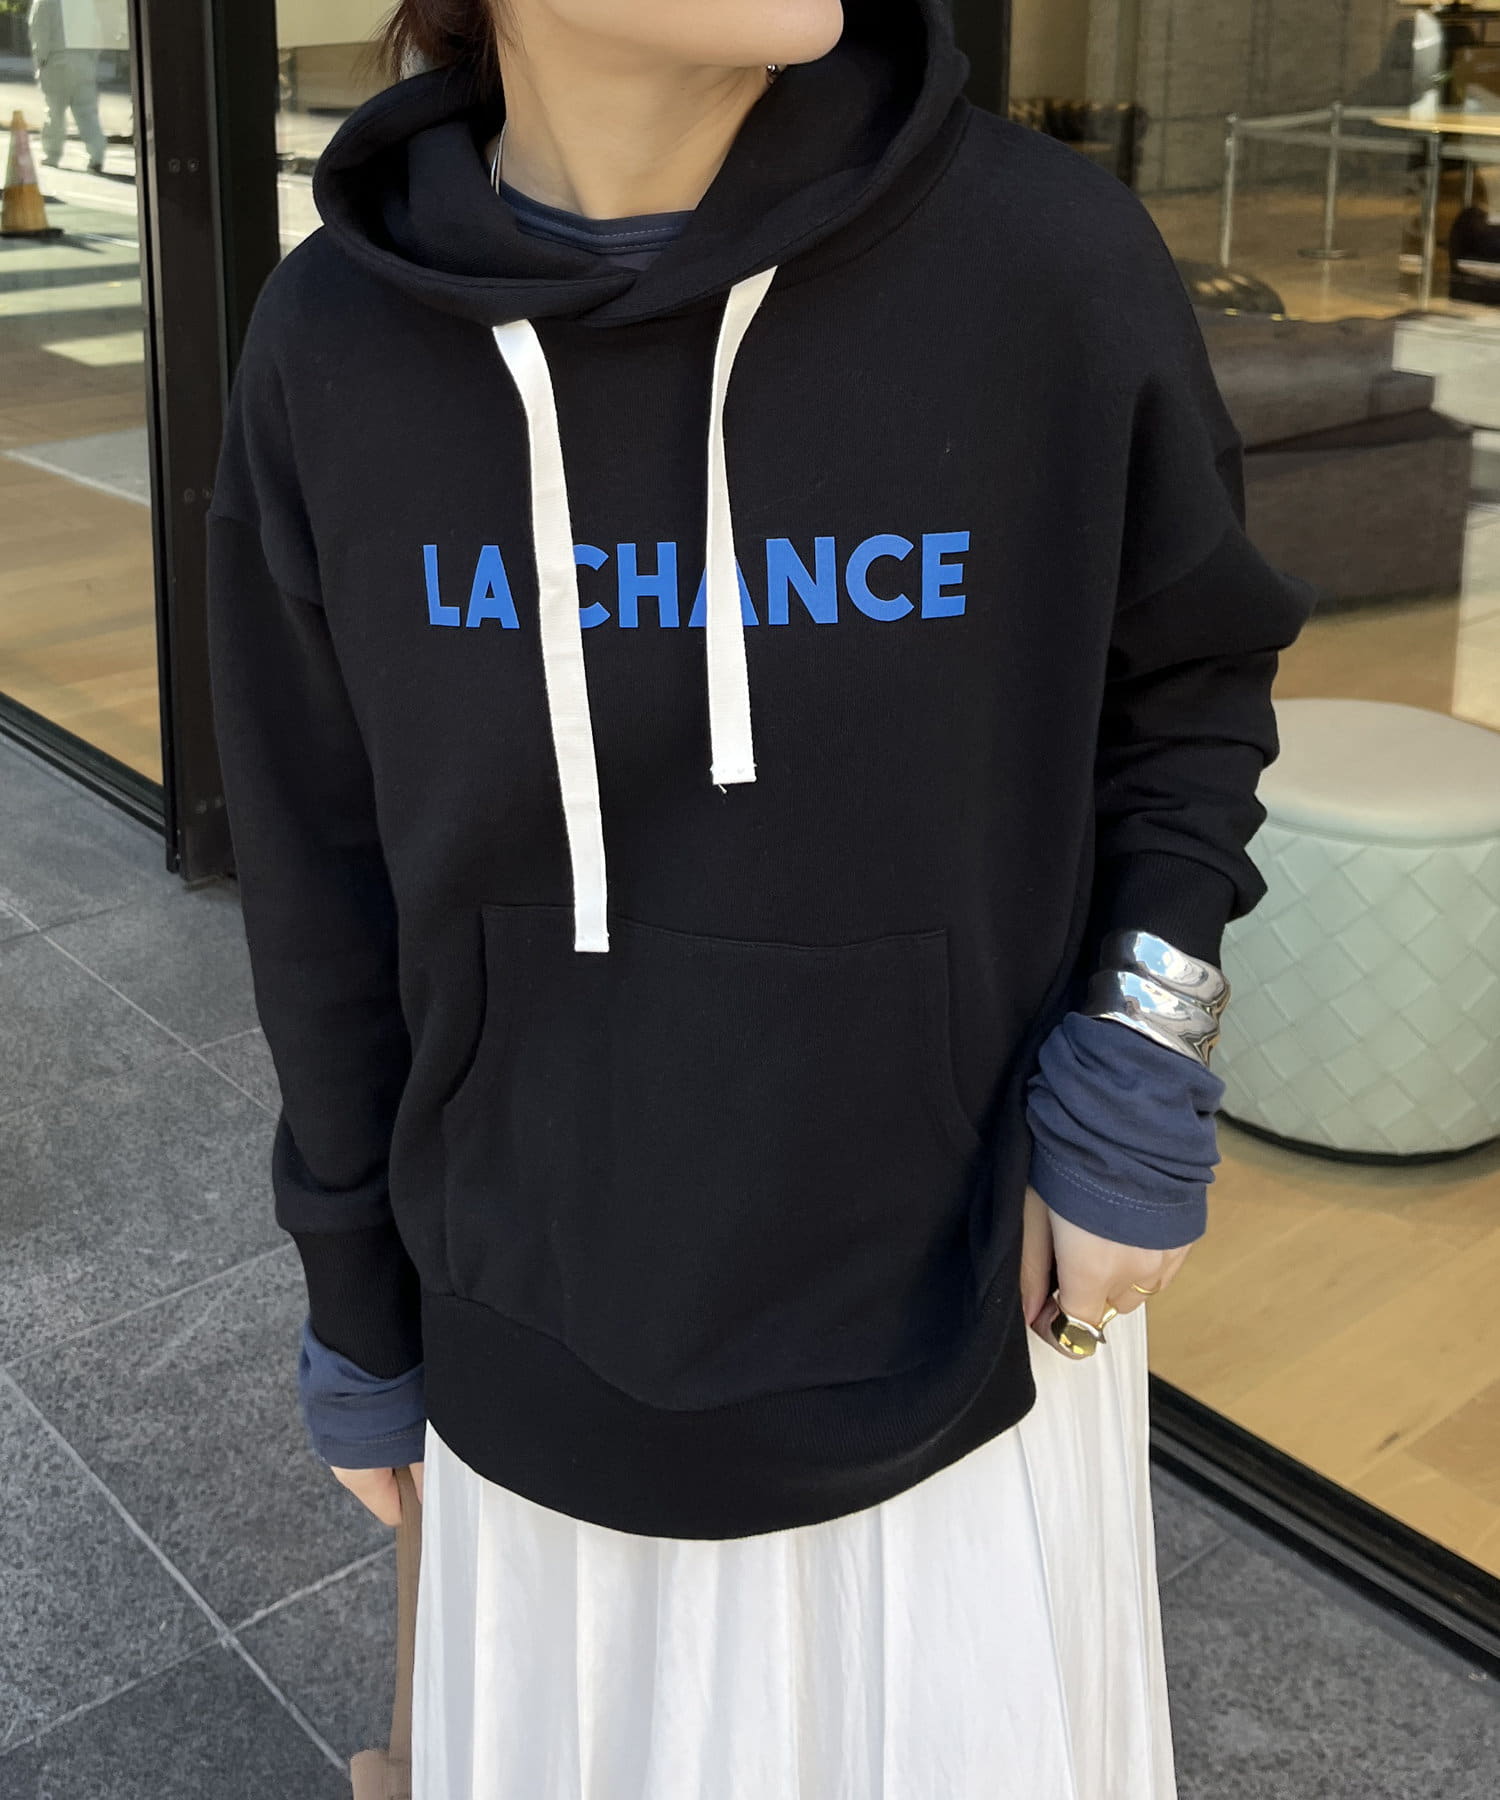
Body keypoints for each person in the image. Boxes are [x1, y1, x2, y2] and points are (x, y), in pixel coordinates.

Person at [203, 3, 1315, 1795]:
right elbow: (323, 884)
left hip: (972, 1320)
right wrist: (354, 1302)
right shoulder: (331, 345)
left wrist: (1143, 1043)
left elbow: (1188, 681)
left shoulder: (1041, 262)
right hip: (537, 1334)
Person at [28, 0, 108, 174]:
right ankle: (97, 156)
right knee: (87, 112)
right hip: (83, 61)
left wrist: (41, 61)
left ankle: (52, 154)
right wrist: (91, 59)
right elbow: (95, 32)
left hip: (57, 60)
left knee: (55, 112)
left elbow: (40, 32)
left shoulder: (44, 2)